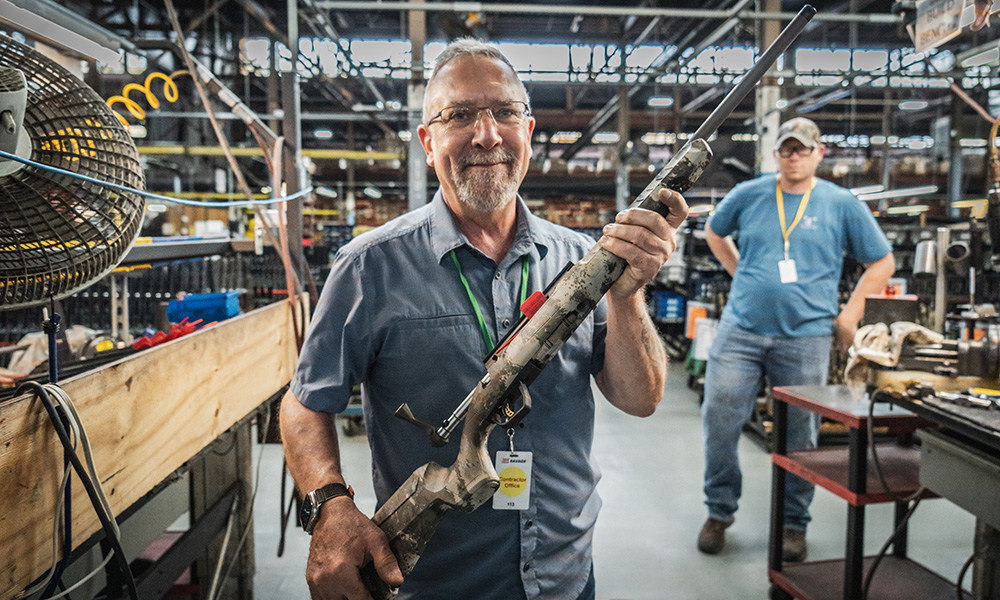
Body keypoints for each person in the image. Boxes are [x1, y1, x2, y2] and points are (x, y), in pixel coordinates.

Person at [280, 38, 689, 600]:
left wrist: (627, 296)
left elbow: (641, 399)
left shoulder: (582, 261)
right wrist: (330, 507)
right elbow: (304, 404)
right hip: (435, 584)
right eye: (460, 115)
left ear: (529, 130)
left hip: (566, 578)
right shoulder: (370, 265)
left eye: (505, 112)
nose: (487, 134)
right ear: (428, 142)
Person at [697, 117, 895, 562]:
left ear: (819, 153)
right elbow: (713, 231)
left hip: (806, 337)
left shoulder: (841, 203)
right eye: (787, 149)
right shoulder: (750, 194)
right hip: (741, 330)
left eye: (802, 149)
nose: (794, 156)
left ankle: (793, 524)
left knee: (800, 436)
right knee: (719, 420)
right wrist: (741, 273)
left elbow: (882, 262)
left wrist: (851, 313)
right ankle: (719, 511)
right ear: (776, 155)